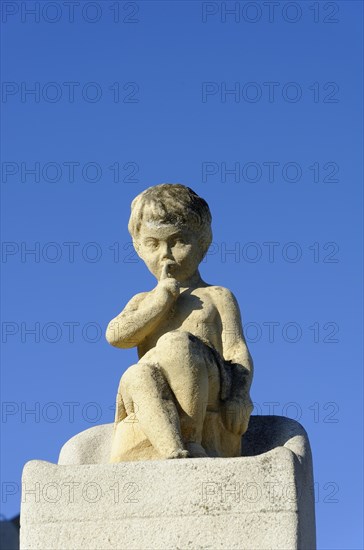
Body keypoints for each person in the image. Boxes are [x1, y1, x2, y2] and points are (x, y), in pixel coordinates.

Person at [106, 184, 253, 460]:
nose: (165, 254)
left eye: (177, 241)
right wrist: (160, 301)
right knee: (136, 374)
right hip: (154, 385)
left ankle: (192, 438)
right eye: (153, 243)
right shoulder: (144, 300)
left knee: (175, 343)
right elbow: (116, 336)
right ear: (138, 247)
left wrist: (240, 396)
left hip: (208, 384)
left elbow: (235, 350)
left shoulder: (216, 296)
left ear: (203, 242)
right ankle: (173, 450)